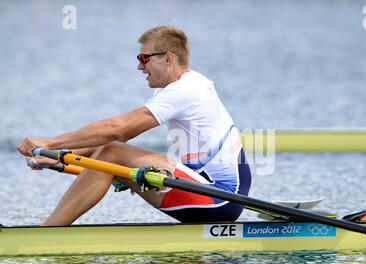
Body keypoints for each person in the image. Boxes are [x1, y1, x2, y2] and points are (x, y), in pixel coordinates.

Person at [17, 25, 251, 226]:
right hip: (206, 189)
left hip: (218, 198)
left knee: (112, 152)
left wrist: (48, 143)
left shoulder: (184, 90)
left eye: (143, 59)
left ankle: (43, 233)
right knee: (111, 153)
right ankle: (48, 230)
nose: (140, 67)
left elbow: (118, 129)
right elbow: (119, 136)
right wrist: (59, 156)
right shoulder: (191, 82)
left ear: (168, 58)